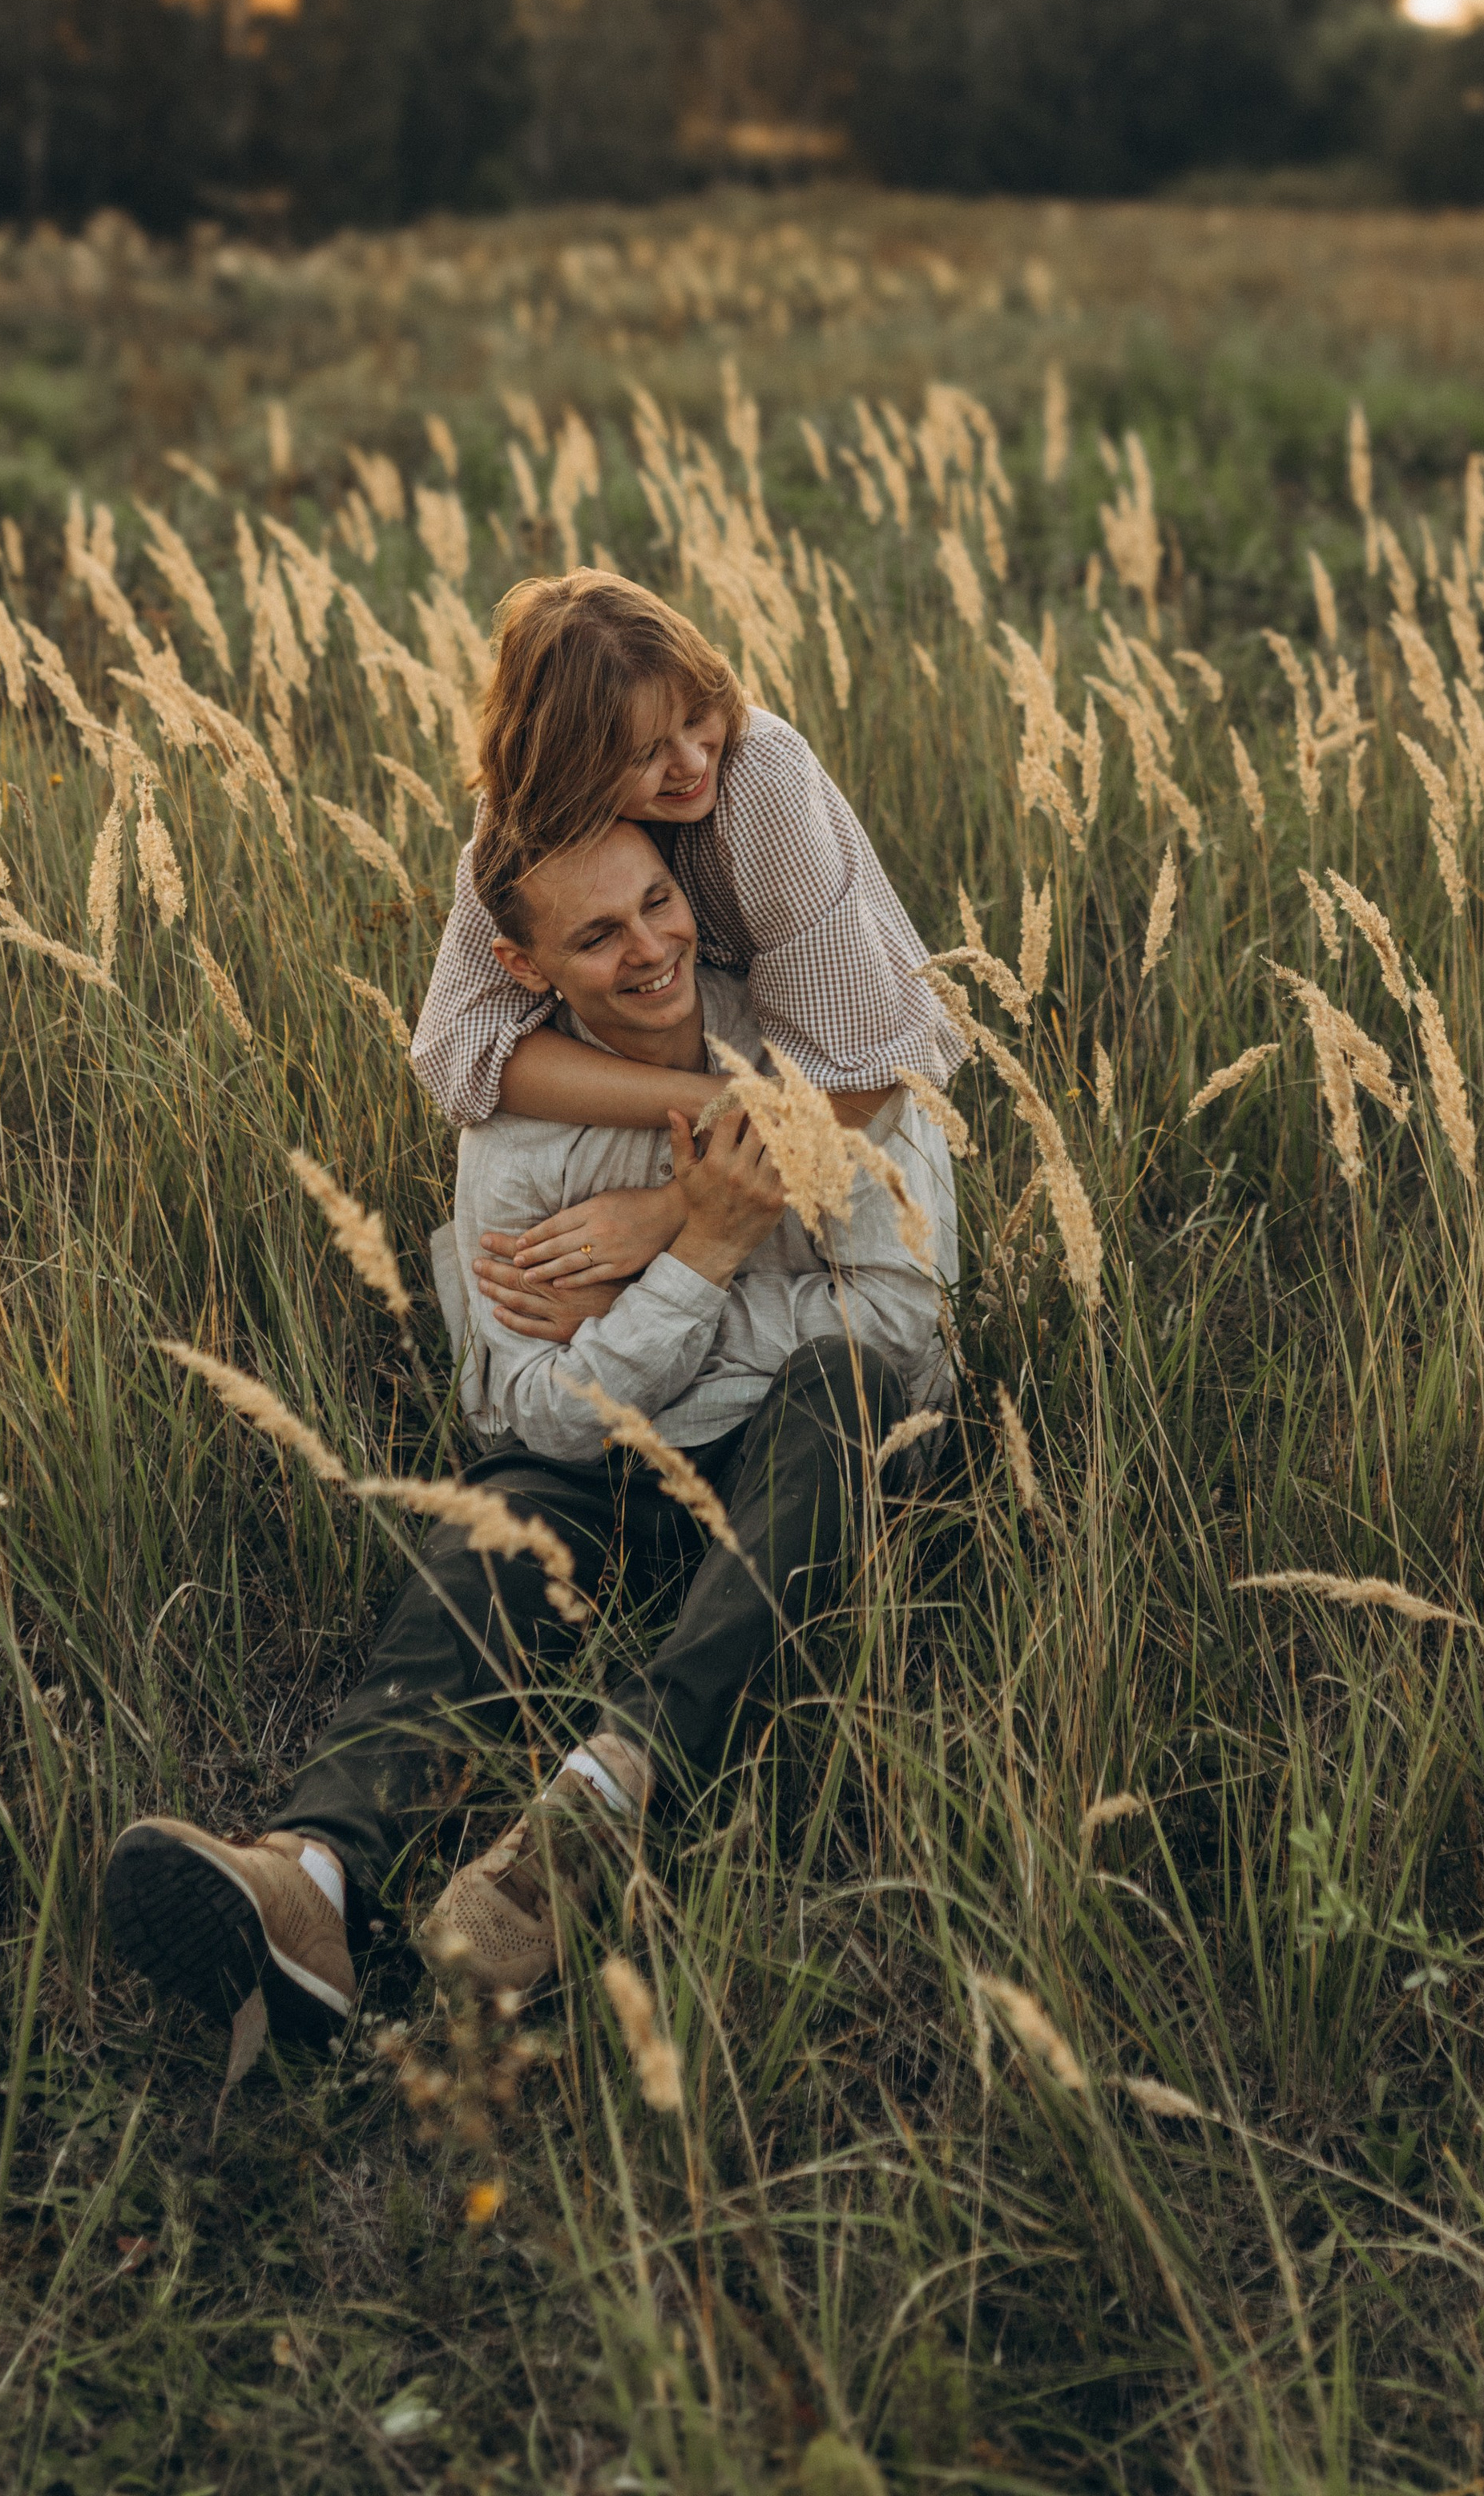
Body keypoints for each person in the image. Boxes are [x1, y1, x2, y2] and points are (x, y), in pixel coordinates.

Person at [103, 822, 957, 2048]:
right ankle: (312, 1876)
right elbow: (532, 1409)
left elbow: (906, 1323)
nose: (649, 949)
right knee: (497, 1506)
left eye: (660, 903)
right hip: (604, 1479)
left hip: (805, 1464)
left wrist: (665, 1256)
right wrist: (712, 1253)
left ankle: (595, 1807)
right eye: (597, 935)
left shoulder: (817, 1045)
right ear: (523, 963)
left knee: (847, 1381)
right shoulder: (512, 1134)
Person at [410, 568, 962, 1314]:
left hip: (849, 1118)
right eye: (642, 754)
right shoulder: (529, 818)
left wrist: (671, 1211)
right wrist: (721, 1101)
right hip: (717, 1096)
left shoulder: (762, 779)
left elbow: (858, 1084)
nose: (694, 761)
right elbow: (458, 1050)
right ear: (570, 773)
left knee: (882, 1331)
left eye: (700, 712)